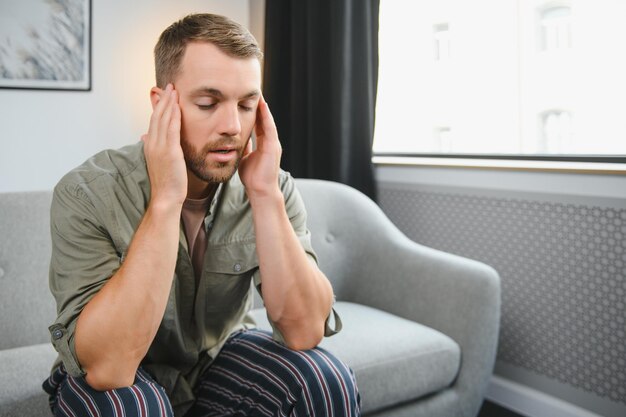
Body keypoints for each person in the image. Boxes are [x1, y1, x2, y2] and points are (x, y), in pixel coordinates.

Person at [43, 13, 360, 417]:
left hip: (217, 361)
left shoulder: (270, 185)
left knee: (322, 379)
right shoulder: (85, 193)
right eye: (208, 103)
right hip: (120, 375)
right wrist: (166, 200)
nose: (232, 126)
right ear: (162, 105)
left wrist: (264, 194)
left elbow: (303, 331)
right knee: (129, 406)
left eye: (247, 104)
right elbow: (109, 367)